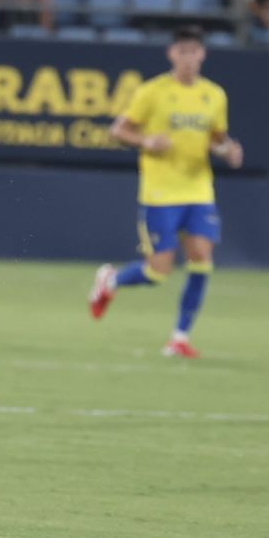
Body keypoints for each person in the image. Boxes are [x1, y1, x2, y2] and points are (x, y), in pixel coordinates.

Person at [88, 27, 243, 358]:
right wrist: (146, 141)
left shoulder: (214, 95)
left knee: (202, 257)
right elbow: (119, 129)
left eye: (194, 51)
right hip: (160, 192)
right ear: (172, 54)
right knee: (158, 270)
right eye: (182, 51)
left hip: (199, 189)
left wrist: (228, 148)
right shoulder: (153, 91)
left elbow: (217, 137)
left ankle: (179, 337)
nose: (188, 57)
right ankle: (110, 281)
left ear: (203, 54)